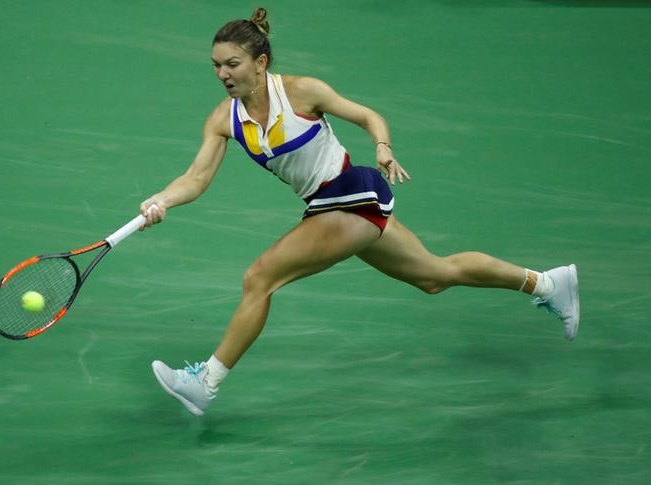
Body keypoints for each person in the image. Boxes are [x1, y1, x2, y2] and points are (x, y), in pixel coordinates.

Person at [139, 8, 579, 416]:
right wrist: (161, 199)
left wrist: (384, 149)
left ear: (260, 62)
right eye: (216, 65)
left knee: (260, 278)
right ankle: (547, 283)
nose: (222, 74)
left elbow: (368, 116)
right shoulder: (224, 118)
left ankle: (207, 383)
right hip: (332, 207)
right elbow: (195, 178)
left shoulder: (301, 91)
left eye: (232, 64)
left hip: (352, 193)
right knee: (434, 276)